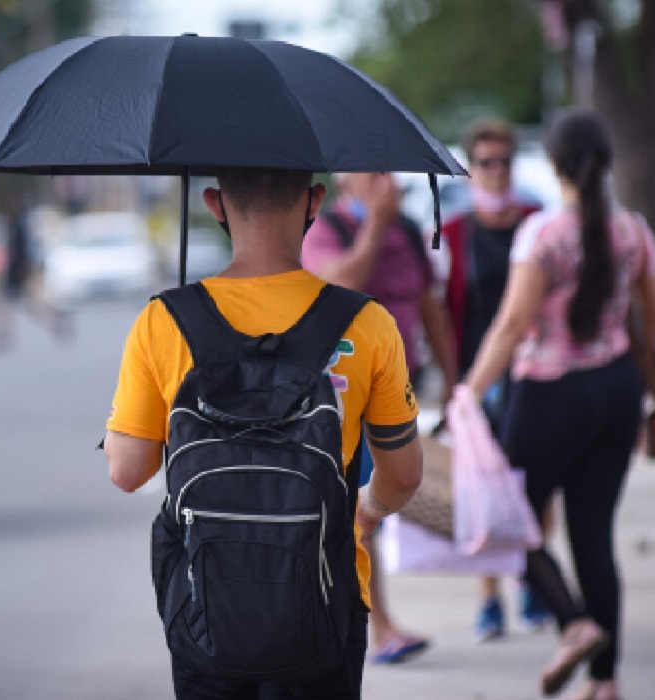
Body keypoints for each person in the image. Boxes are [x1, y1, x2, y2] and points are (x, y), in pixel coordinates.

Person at [105, 167, 425, 699]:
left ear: (214, 203)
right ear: (314, 201)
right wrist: (364, 511)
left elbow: (126, 470)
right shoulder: (367, 323)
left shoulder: (163, 321)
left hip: (204, 609)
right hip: (326, 604)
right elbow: (406, 475)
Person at [461, 110, 655, 700]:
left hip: (549, 394)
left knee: (509, 523)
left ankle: (574, 625)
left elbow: (514, 323)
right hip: (616, 393)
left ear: (555, 164)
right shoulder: (632, 231)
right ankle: (606, 680)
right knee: (593, 535)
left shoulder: (543, 235)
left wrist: (469, 389)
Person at [302, 171, 458, 664]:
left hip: (400, 388)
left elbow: (430, 308)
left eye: (387, 173)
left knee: (373, 511)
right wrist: (376, 225)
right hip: (344, 395)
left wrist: (455, 383)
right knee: (357, 514)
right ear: (346, 183)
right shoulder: (329, 229)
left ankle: (364, 622)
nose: (383, 182)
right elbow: (342, 282)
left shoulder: (408, 231)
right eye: (371, 174)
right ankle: (377, 627)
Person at [437, 118, 551, 642]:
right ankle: (489, 598)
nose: (497, 171)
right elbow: (443, 311)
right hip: (479, 372)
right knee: (483, 483)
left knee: (539, 482)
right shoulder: (454, 234)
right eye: (486, 162)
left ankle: (535, 581)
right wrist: (451, 381)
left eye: (505, 160)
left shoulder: (538, 222)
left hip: (538, 368)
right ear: (470, 169)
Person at [0, 194, 70, 351]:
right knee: (18, 305)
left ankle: (55, 319)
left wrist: (21, 270)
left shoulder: (19, 226)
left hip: (17, 272)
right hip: (15, 272)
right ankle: (2, 332)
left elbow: (21, 251)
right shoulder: (15, 224)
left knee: (20, 304)